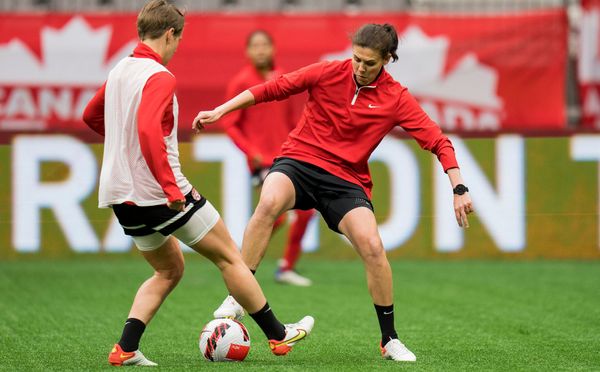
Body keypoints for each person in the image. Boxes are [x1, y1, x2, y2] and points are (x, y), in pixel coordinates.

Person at [193, 23, 474, 362]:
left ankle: (389, 340)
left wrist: (458, 187)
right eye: (356, 58)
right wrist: (221, 110)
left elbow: (437, 140)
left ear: (386, 59)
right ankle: (239, 297)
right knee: (268, 202)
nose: (359, 67)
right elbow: (273, 88)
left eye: (369, 63)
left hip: (345, 180)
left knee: (372, 246)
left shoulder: (396, 98)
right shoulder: (328, 72)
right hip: (299, 160)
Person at [82, 0, 313, 367]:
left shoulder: (119, 70)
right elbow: (146, 130)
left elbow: (91, 115)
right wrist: (172, 189)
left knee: (168, 270)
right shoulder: (159, 76)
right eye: (178, 39)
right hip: (160, 191)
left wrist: (124, 146)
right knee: (230, 257)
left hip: (119, 195)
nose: (177, 48)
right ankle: (278, 335)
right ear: (171, 34)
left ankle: (125, 349)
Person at [221, 30, 315, 287]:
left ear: (273, 48)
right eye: (255, 46)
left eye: (265, 45)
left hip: (289, 156)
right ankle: (242, 261)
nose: (261, 50)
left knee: (306, 213)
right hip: (262, 161)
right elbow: (230, 124)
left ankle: (286, 267)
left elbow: (291, 121)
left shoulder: (282, 78)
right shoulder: (242, 82)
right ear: (247, 51)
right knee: (278, 214)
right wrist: (250, 150)